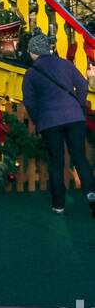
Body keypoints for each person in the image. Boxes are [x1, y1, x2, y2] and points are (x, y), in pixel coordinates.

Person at [22, 32, 95, 216]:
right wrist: (77, 104)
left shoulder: (31, 74)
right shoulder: (64, 63)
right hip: (74, 117)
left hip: (49, 122)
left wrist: (39, 120)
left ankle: (59, 204)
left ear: (33, 52)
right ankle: (91, 195)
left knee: (56, 163)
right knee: (80, 159)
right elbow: (83, 86)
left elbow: (30, 103)